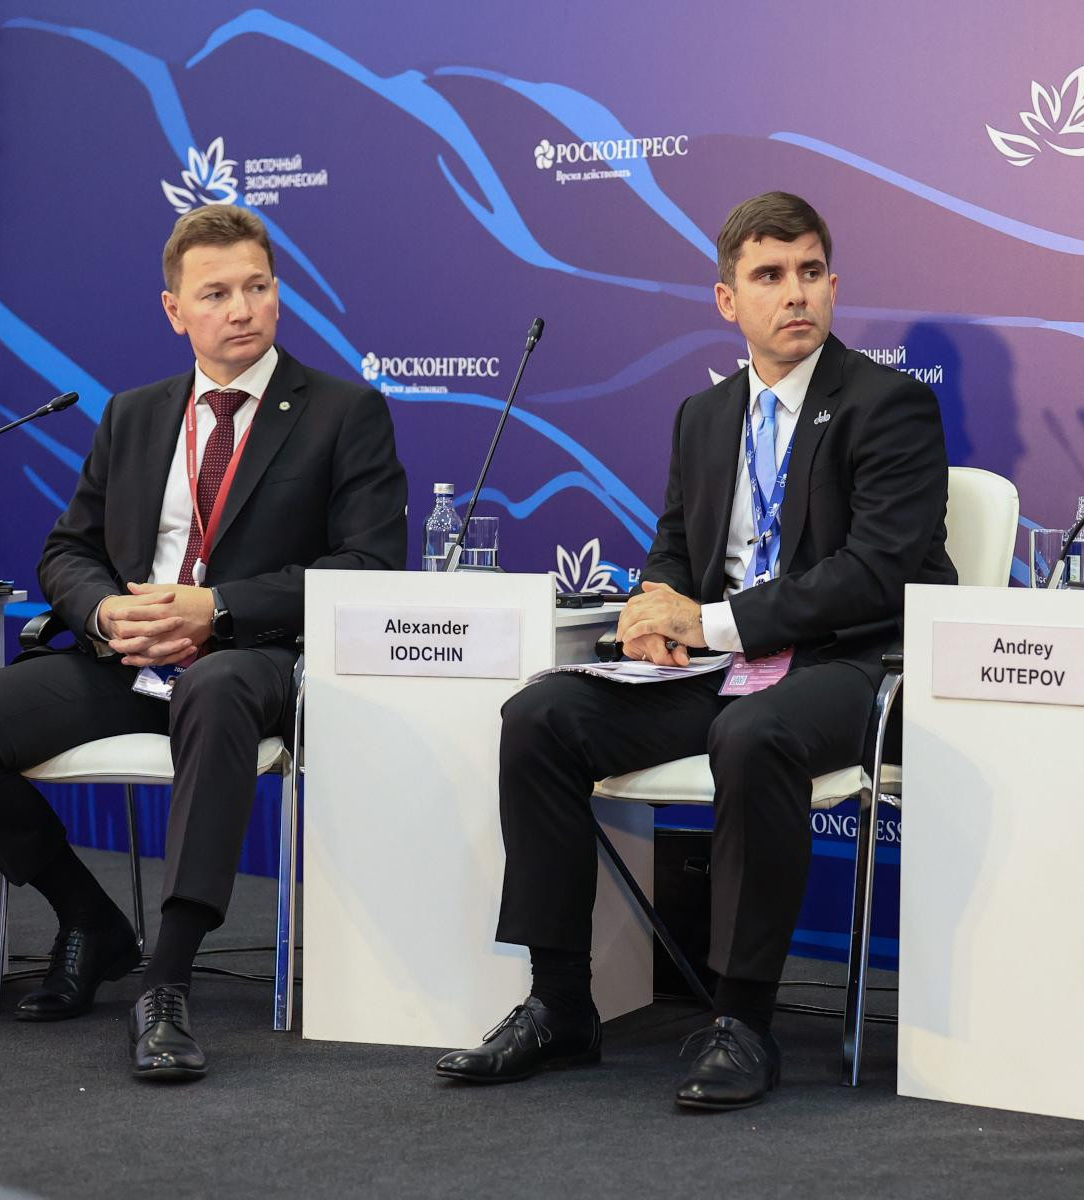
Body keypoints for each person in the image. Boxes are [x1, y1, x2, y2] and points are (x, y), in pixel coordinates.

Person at [434, 192, 955, 1110]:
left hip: (853, 666)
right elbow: (677, 547)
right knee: (542, 717)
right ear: (727, 300)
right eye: (769, 276)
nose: (794, 293)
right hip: (727, 669)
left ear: (834, 286)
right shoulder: (704, 417)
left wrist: (708, 624)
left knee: (752, 735)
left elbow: (875, 575)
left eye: (809, 273)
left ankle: (741, 1021)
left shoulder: (890, 406)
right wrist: (649, 612)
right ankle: (561, 1004)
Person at [0, 205, 406, 1081]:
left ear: (278, 292)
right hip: (128, 662)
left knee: (215, 687)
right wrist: (107, 613)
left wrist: (216, 608)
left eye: (257, 286)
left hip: (251, 662)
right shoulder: (135, 415)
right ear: (175, 310)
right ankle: (88, 918)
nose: (242, 308)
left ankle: (166, 981)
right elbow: (68, 550)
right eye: (215, 293)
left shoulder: (343, 412)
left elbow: (370, 564)